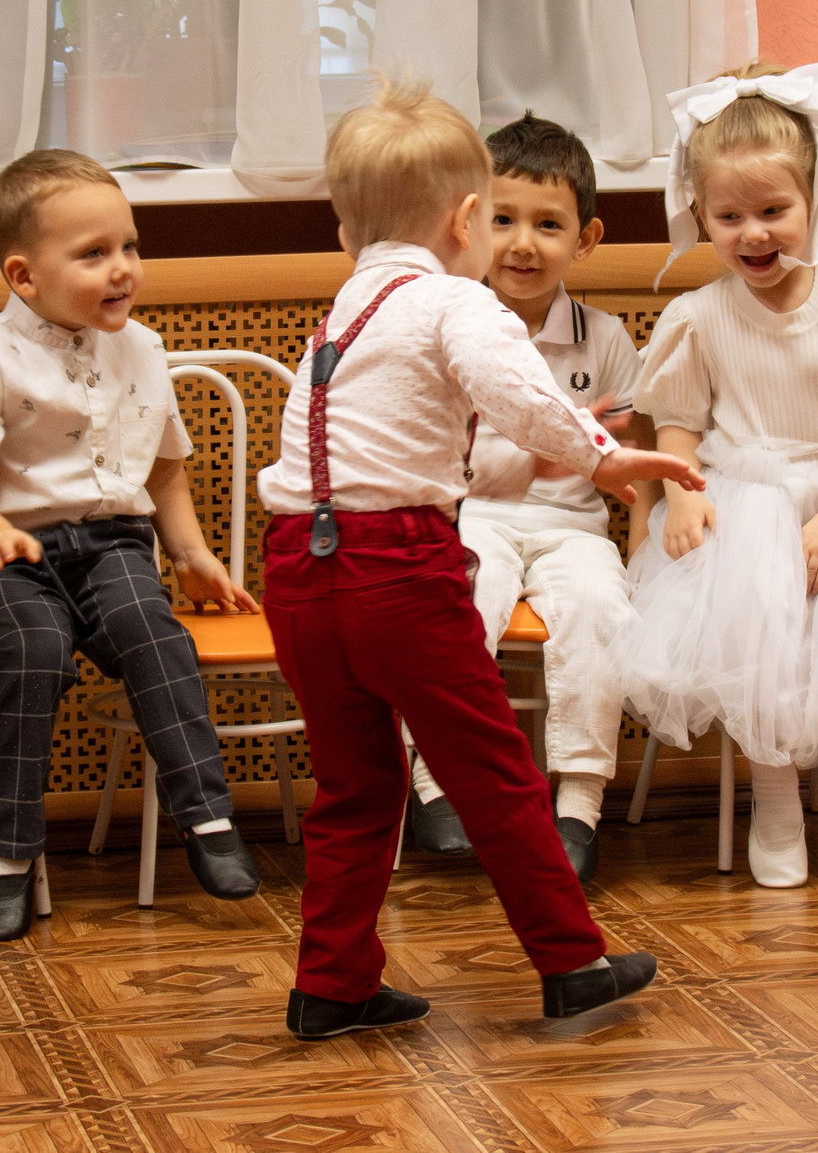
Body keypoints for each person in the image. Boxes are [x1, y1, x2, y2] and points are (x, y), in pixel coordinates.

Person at [253, 77, 698, 1041]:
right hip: (394, 569)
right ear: (467, 219)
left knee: (354, 786)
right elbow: (519, 391)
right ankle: (573, 961)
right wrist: (599, 454)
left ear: (345, 232)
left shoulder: (343, 313)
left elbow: (415, 449)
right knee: (496, 770)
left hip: (296, 564)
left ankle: (330, 981)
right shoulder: (457, 300)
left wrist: (517, 462)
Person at [616, 61, 818, 889]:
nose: (753, 234)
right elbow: (679, 423)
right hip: (737, 494)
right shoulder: (697, 317)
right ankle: (774, 788)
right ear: (700, 213)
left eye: (774, 210)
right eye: (729, 216)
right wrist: (684, 492)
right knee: (753, 610)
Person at [0, 149, 262, 943]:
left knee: (153, 630)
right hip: (11, 555)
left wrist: (190, 554)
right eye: (94, 253)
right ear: (23, 275)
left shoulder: (141, 347)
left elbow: (165, 467)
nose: (123, 269)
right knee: (34, 648)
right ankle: (8, 859)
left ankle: (208, 819)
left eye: (131, 247)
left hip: (113, 542)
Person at [402, 114, 650, 881]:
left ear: (586, 238)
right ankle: (433, 782)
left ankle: (577, 804)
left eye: (548, 224)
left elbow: (628, 458)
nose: (522, 242)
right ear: (469, 222)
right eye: (502, 219)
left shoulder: (604, 337)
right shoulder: (448, 322)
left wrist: (640, 548)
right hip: (474, 511)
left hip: (574, 525)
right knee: (460, 602)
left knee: (600, 612)